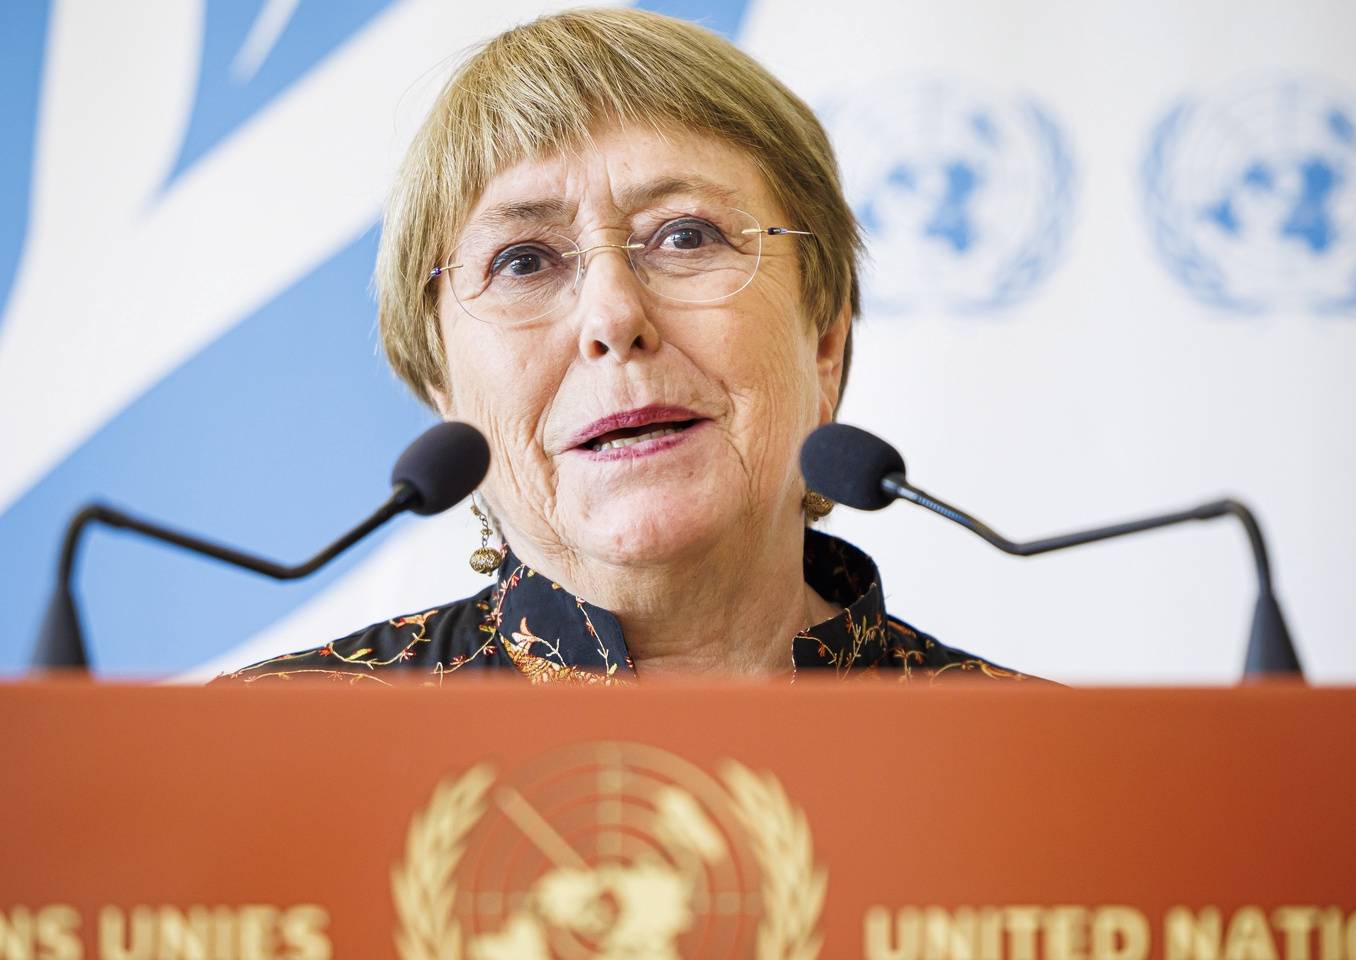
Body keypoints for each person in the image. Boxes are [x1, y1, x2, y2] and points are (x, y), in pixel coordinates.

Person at [224, 8, 1031, 686]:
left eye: (684, 236)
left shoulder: (1057, 767)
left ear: (824, 342)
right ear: (445, 390)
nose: (613, 317)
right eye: (524, 261)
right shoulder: (257, 757)